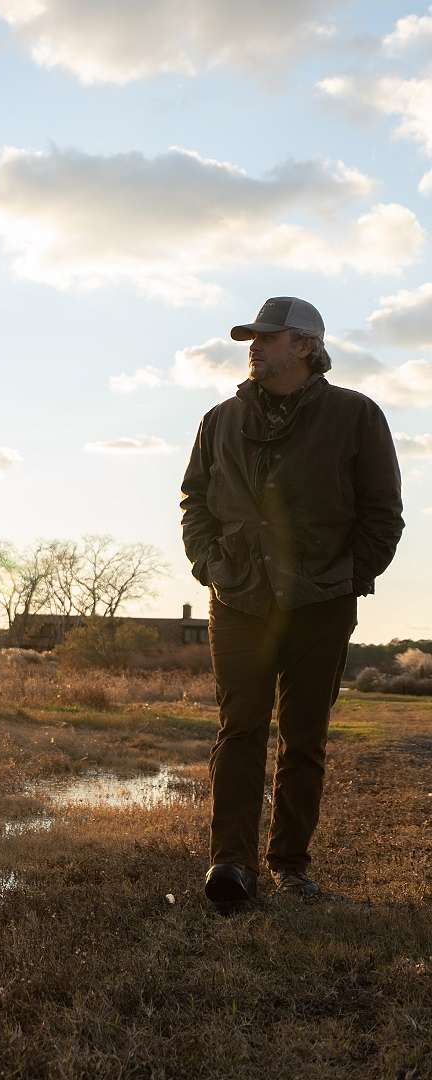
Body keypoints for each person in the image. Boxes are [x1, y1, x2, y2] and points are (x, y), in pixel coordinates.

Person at [180, 296, 404, 911]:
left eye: (268, 337)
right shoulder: (219, 420)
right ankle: (231, 864)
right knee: (240, 729)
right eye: (251, 336)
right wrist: (209, 563)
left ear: (304, 346)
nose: (254, 346)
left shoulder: (356, 416)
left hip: (321, 602)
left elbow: (383, 513)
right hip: (240, 600)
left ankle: (290, 866)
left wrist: (350, 577)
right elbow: (194, 500)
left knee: (304, 738)